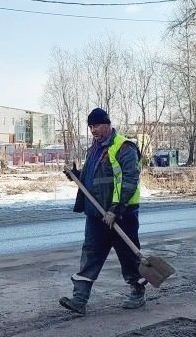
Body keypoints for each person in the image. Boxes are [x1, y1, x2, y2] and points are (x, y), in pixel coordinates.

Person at [61, 107, 145, 315]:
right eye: (90, 126)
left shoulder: (124, 147)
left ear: (107, 124)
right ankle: (79, 299)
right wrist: (77, 175)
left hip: (121, 214)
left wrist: (116, 209)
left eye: (97, 125)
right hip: (97, 214)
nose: (93, 130)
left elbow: (129, 180)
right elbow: (94, 180)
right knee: (90, 254)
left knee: (128, 254)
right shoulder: (94, 149)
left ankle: (137, 291)